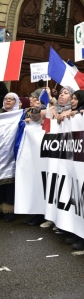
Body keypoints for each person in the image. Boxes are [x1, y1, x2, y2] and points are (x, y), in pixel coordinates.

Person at [0, 92, 21, 221]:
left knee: (10, 181)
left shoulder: (19, 114)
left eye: (11, 99)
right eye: (6, 99)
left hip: (11, 152)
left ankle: (10, 209)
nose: (8, 101)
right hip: (1, 150)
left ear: (16, 101)